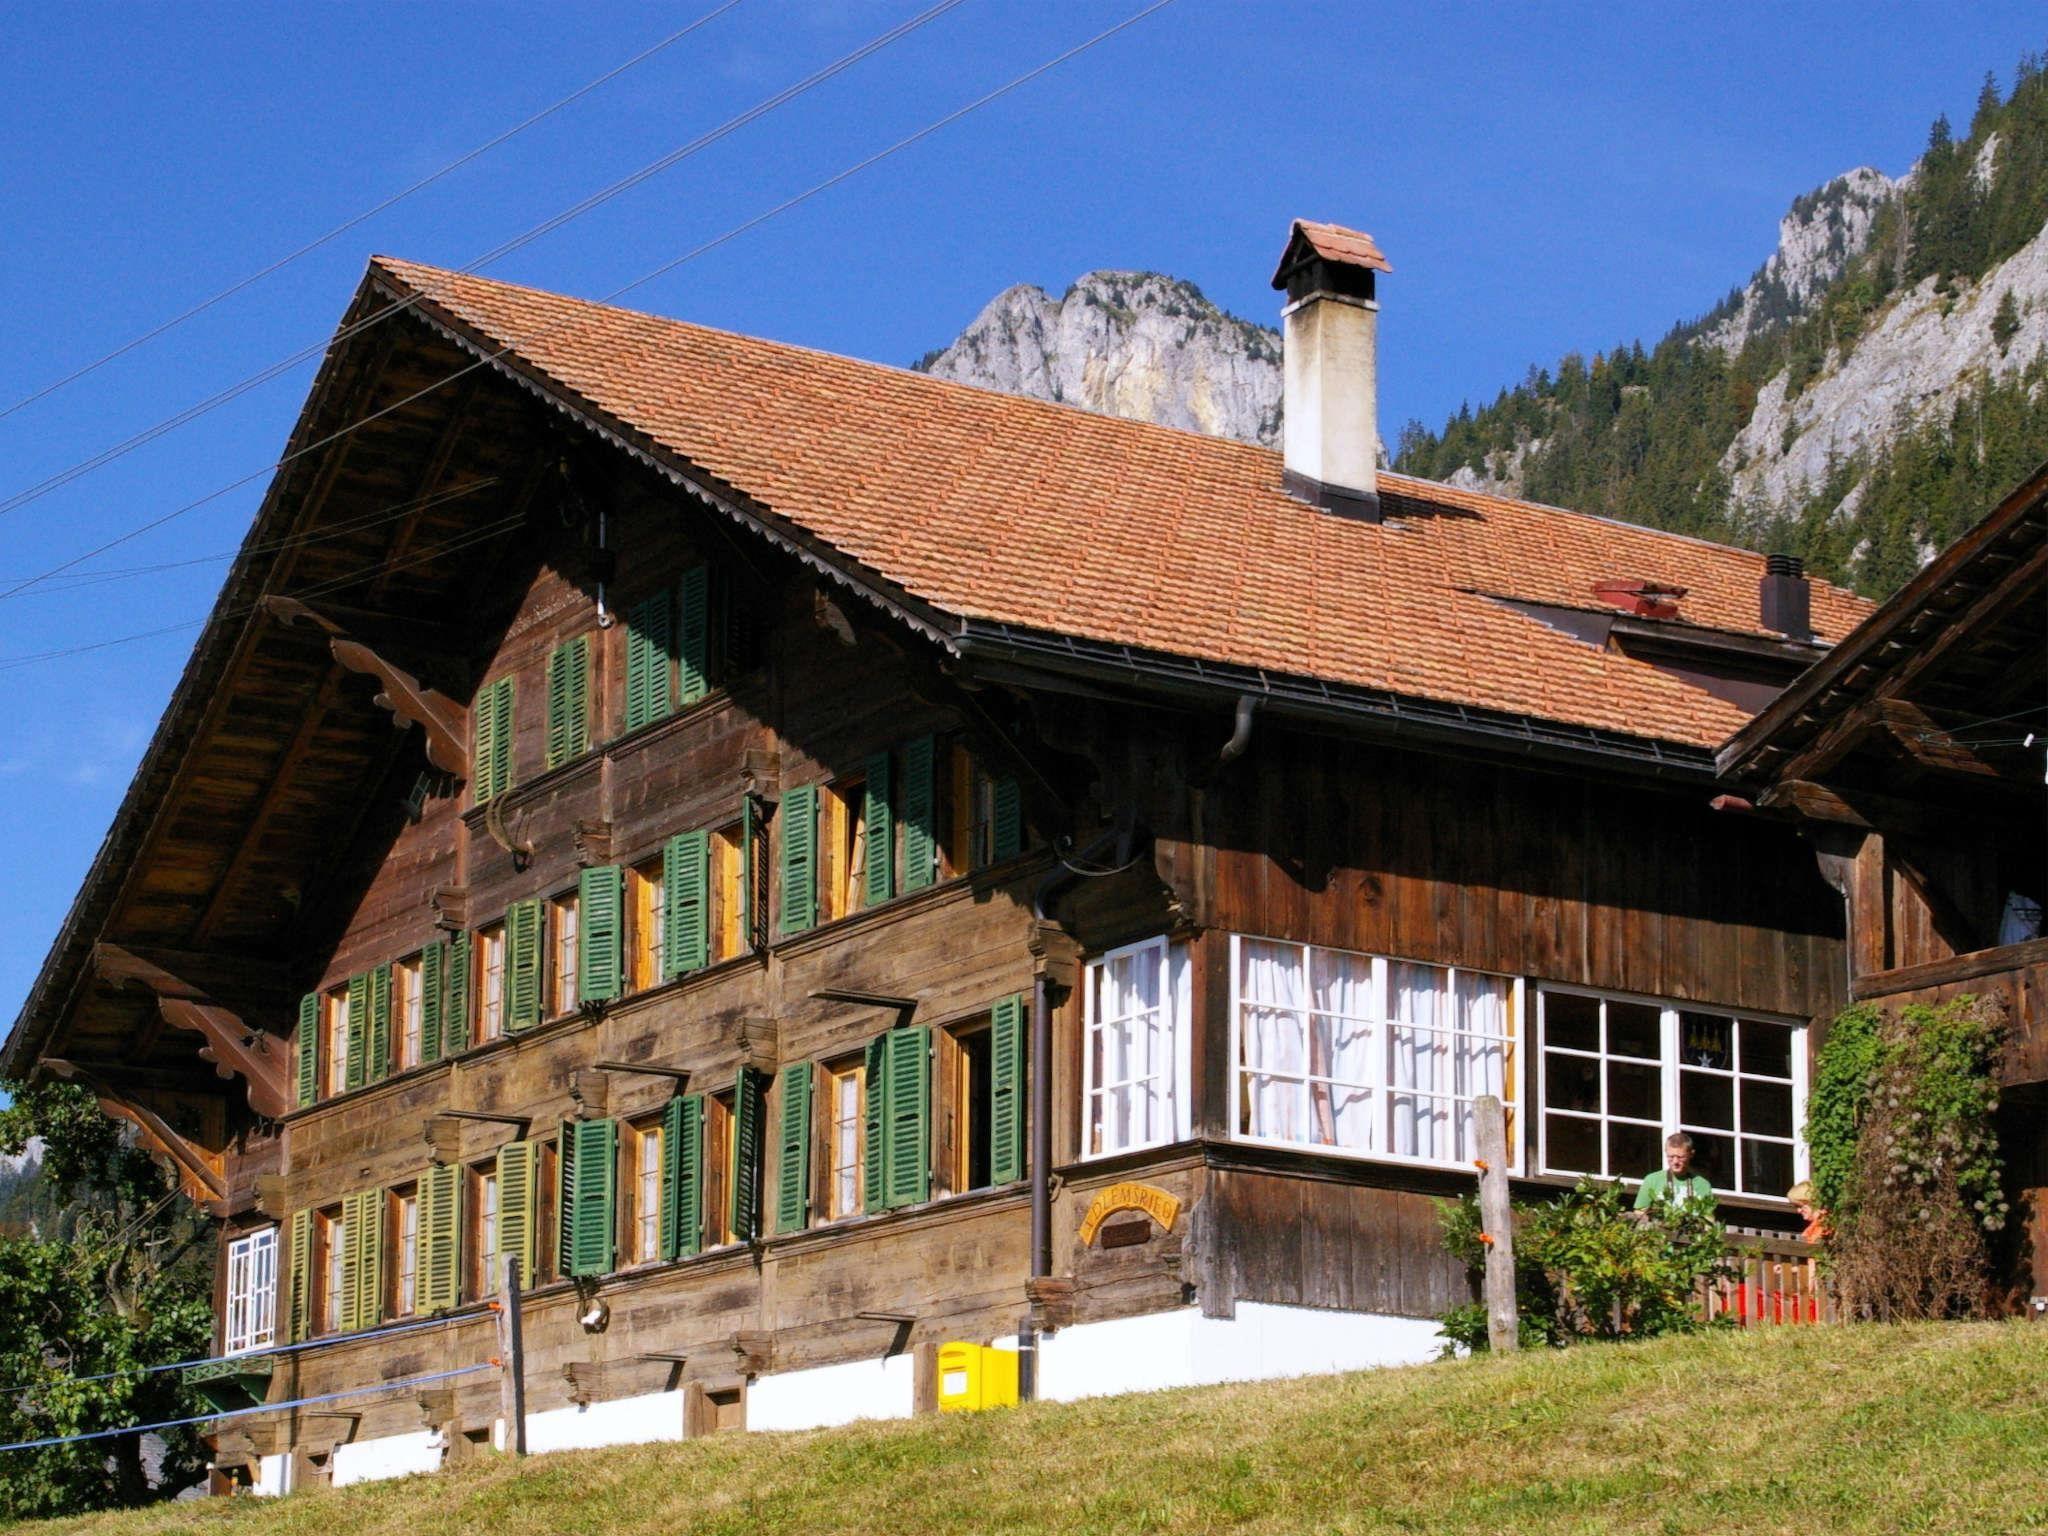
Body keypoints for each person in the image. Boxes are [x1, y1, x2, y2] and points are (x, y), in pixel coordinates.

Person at [1633, 1131, 1714, 1213]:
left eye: (1681, 1157)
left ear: (1691, 1154)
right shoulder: (1652, 1180)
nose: (1675, 1162)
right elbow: (1639, 1213)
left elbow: (1709, 1219)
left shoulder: (1703, 1185)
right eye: (1671, 1157)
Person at [1785, 1179, 1830, 1244]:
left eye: (1800, 1206)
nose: (1798, 1211)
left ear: (1811, 1202)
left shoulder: (1824, 1224)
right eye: (1796, 1207)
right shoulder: (1816, 1224)